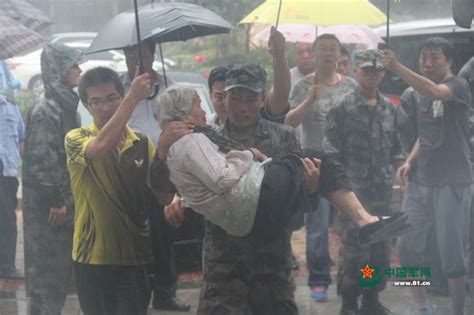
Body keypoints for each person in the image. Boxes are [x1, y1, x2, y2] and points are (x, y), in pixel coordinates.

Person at [65, 66, 174, 315]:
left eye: (112, 98)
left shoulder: (141, 143)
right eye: (96, 102)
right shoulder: (75, 138)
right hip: (91, 259)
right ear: (86, 106)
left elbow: (164, 197)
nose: (105, 107)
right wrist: (132, 99)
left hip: (134, 258)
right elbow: (101, 146)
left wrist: (165, 154)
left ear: (120, 95)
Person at [384, 37, 472, 315]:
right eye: (423, 56)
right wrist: (409, 161)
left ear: (449, 61)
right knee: (407, 245)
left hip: (452, 181)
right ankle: (422, 307)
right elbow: (426, 135)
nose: (427, 62)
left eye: (435, 57)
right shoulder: (420, 94)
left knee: (451, 254)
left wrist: (397, 66)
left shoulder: (458, 86)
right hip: (421, 182)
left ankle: (458, 311)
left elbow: (436, 91)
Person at [324, 49, 404, 315]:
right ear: (356, 71)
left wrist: (402, 169)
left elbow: (396, 150)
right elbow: (331, 152)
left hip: (381, 195)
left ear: (383, 73)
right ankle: (349, 302)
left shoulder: (389, 108)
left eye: (377, 70)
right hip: (353, 196)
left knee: (379, 251)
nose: (372, 74)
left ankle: (370, 298)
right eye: (366, 69)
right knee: (353, 252)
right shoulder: (341, 107)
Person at [285, 34, 357, 302]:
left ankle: (356, 279)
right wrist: (308, 101)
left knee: (351, 224)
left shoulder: (350, 86)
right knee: (317, 225)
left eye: (333, 50)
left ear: (340, 55)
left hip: (346, 165)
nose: (328, 54)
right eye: (322, 50)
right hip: (313, 163)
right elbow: (288, 122)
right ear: (313, 55)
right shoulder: (304, 85)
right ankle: (318, 280)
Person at [121, 40, 190, 312]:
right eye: (131, 54)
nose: (138, 60)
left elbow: (180, 118)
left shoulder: (168, 84)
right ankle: (134, 294)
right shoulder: (120, 88)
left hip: (162, 166)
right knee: (132, 234)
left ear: (152, 55)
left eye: (143, 54)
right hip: (129, 169)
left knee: (163, 234)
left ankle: (165, 293)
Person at [22, 42, 82, 315]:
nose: (79, 70)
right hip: (50, 211)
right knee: (46, 280)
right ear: (59, 69)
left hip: (64, 205)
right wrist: (59, 201)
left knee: (58, 280)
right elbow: (42, 164)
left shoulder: (64, 104)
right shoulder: (46, 109)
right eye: (73, 65)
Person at [0, 95, 24, 279]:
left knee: (8, 220)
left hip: (7, 173)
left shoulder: (11, 107)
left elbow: (21, 139)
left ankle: (7, 267)